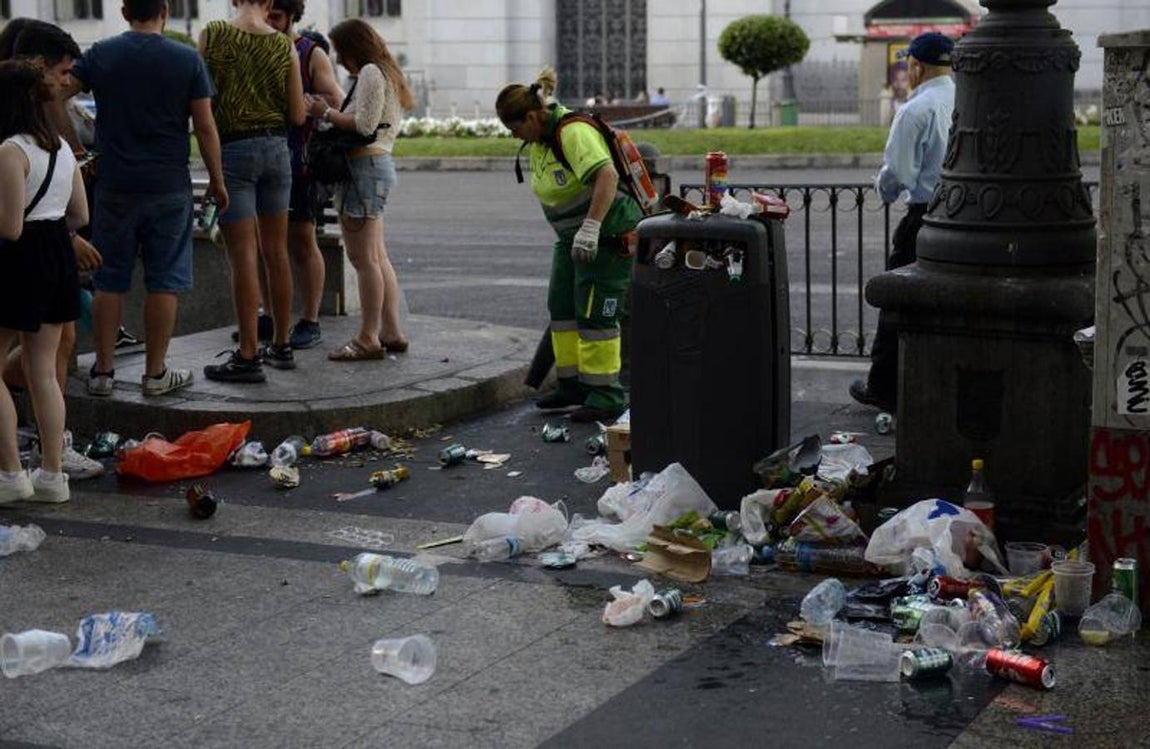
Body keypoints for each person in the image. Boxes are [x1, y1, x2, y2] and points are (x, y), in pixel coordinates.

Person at [72, 0, 228, 399]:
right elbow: (205, 125)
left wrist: (74, 146)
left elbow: (54, 94)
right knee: (165, 281)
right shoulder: (187, 59)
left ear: (125, 12)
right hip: (169, 184)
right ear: (166, 11)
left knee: (108, 278)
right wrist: (217, 179)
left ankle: (103, 373)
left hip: (114, 185)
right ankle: (156, 373)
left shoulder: (102, 53)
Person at [496, 67, 641, 423]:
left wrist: (591, 228)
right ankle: (572, 385)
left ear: (532, 117)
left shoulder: (572, 132)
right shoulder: (541, 139)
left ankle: (605, 395)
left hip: (606, 237)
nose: (515, 137)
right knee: (562, 307)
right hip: (571, 238)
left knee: (596, 316)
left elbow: (606, 175)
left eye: (515, 129)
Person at [5, 20, 105, 480]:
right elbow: (75, 212)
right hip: (46, 251)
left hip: (24, 253)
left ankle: (26, 464)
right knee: (46, 359)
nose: (69, 82)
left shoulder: (21, 140)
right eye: (63, 72)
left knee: (48, 352)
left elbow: (12, 221)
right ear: (38, 69)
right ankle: (50, 465)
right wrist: (65, 235)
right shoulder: (47, 140)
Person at [200, 0, 306, 382]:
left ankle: (248, 354)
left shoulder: (213, 35)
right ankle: (282, 344)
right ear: (269, 3)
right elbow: (297, 114)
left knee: (243, 256)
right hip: (277, 151)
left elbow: (201, 104)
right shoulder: (283, 44)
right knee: (276, 251)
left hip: (232, 150)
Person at [850, 31, 955, 413]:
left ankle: (883, 386)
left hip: (923, 217)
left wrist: (883, 188)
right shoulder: (965, 101)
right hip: (961, 217)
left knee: (898, 299)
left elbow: (898, 174)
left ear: (916, 66)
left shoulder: (915, 110)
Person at [0, 61, 88, 503]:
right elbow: (81, 215)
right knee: (44, 372)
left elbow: (10, 227)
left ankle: (11, 473)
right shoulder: (62, 148)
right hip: (56, 254)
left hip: (17, 261)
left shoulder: (10, 151)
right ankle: (53, 475)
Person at [308, 18, 410, 360]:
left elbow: (364, 125)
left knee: (362, 259)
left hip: (362, 169)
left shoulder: (370, 72)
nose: (337, 60)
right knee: (377, 256)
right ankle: (391, 331)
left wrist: (325, 112)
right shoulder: (387, 72)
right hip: (376, 167)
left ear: (354, 47)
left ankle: (368, 338)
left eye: (339, 51)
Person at [268, 0, 344, 351]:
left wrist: (304, 103)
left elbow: (334, 99)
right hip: (264, 157)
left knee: (301, 239)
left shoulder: (309, 52)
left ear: (291, 16)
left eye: (276, 16)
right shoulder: (253, 45)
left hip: (298, 160)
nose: (270, 22)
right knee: (264, 244)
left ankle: (310, 319)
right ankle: (270, 316)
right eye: (266, 15)